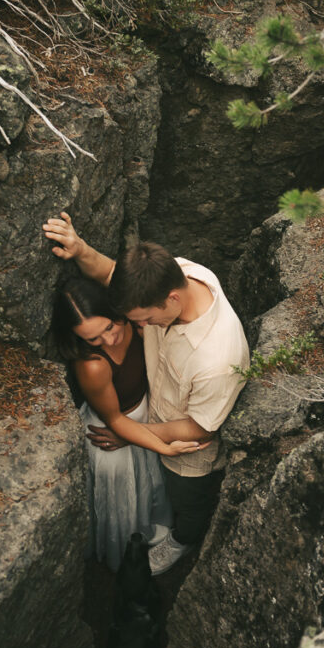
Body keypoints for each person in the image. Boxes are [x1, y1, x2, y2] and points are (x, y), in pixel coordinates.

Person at [44, 213, 250, 575]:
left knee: (188, 499)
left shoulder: (218, 359)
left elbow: (200, 429)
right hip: (151, 417)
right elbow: (111, 276)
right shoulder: (178, 274)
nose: (135, 330)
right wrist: (80, 250)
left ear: (171, 299)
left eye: (144, 320)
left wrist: (132, 436)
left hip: (188, 449)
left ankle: (183, 540)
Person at [52, 274, 206, 573]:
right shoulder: (93, 365)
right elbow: (115, 420)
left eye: (110, 326)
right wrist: (166, 449)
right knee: (122, 502)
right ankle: (123, 559)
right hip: (113, 433)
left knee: (150, 489)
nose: (109, 339)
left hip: (144, 419)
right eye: (93, 338)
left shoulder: (138, 324)